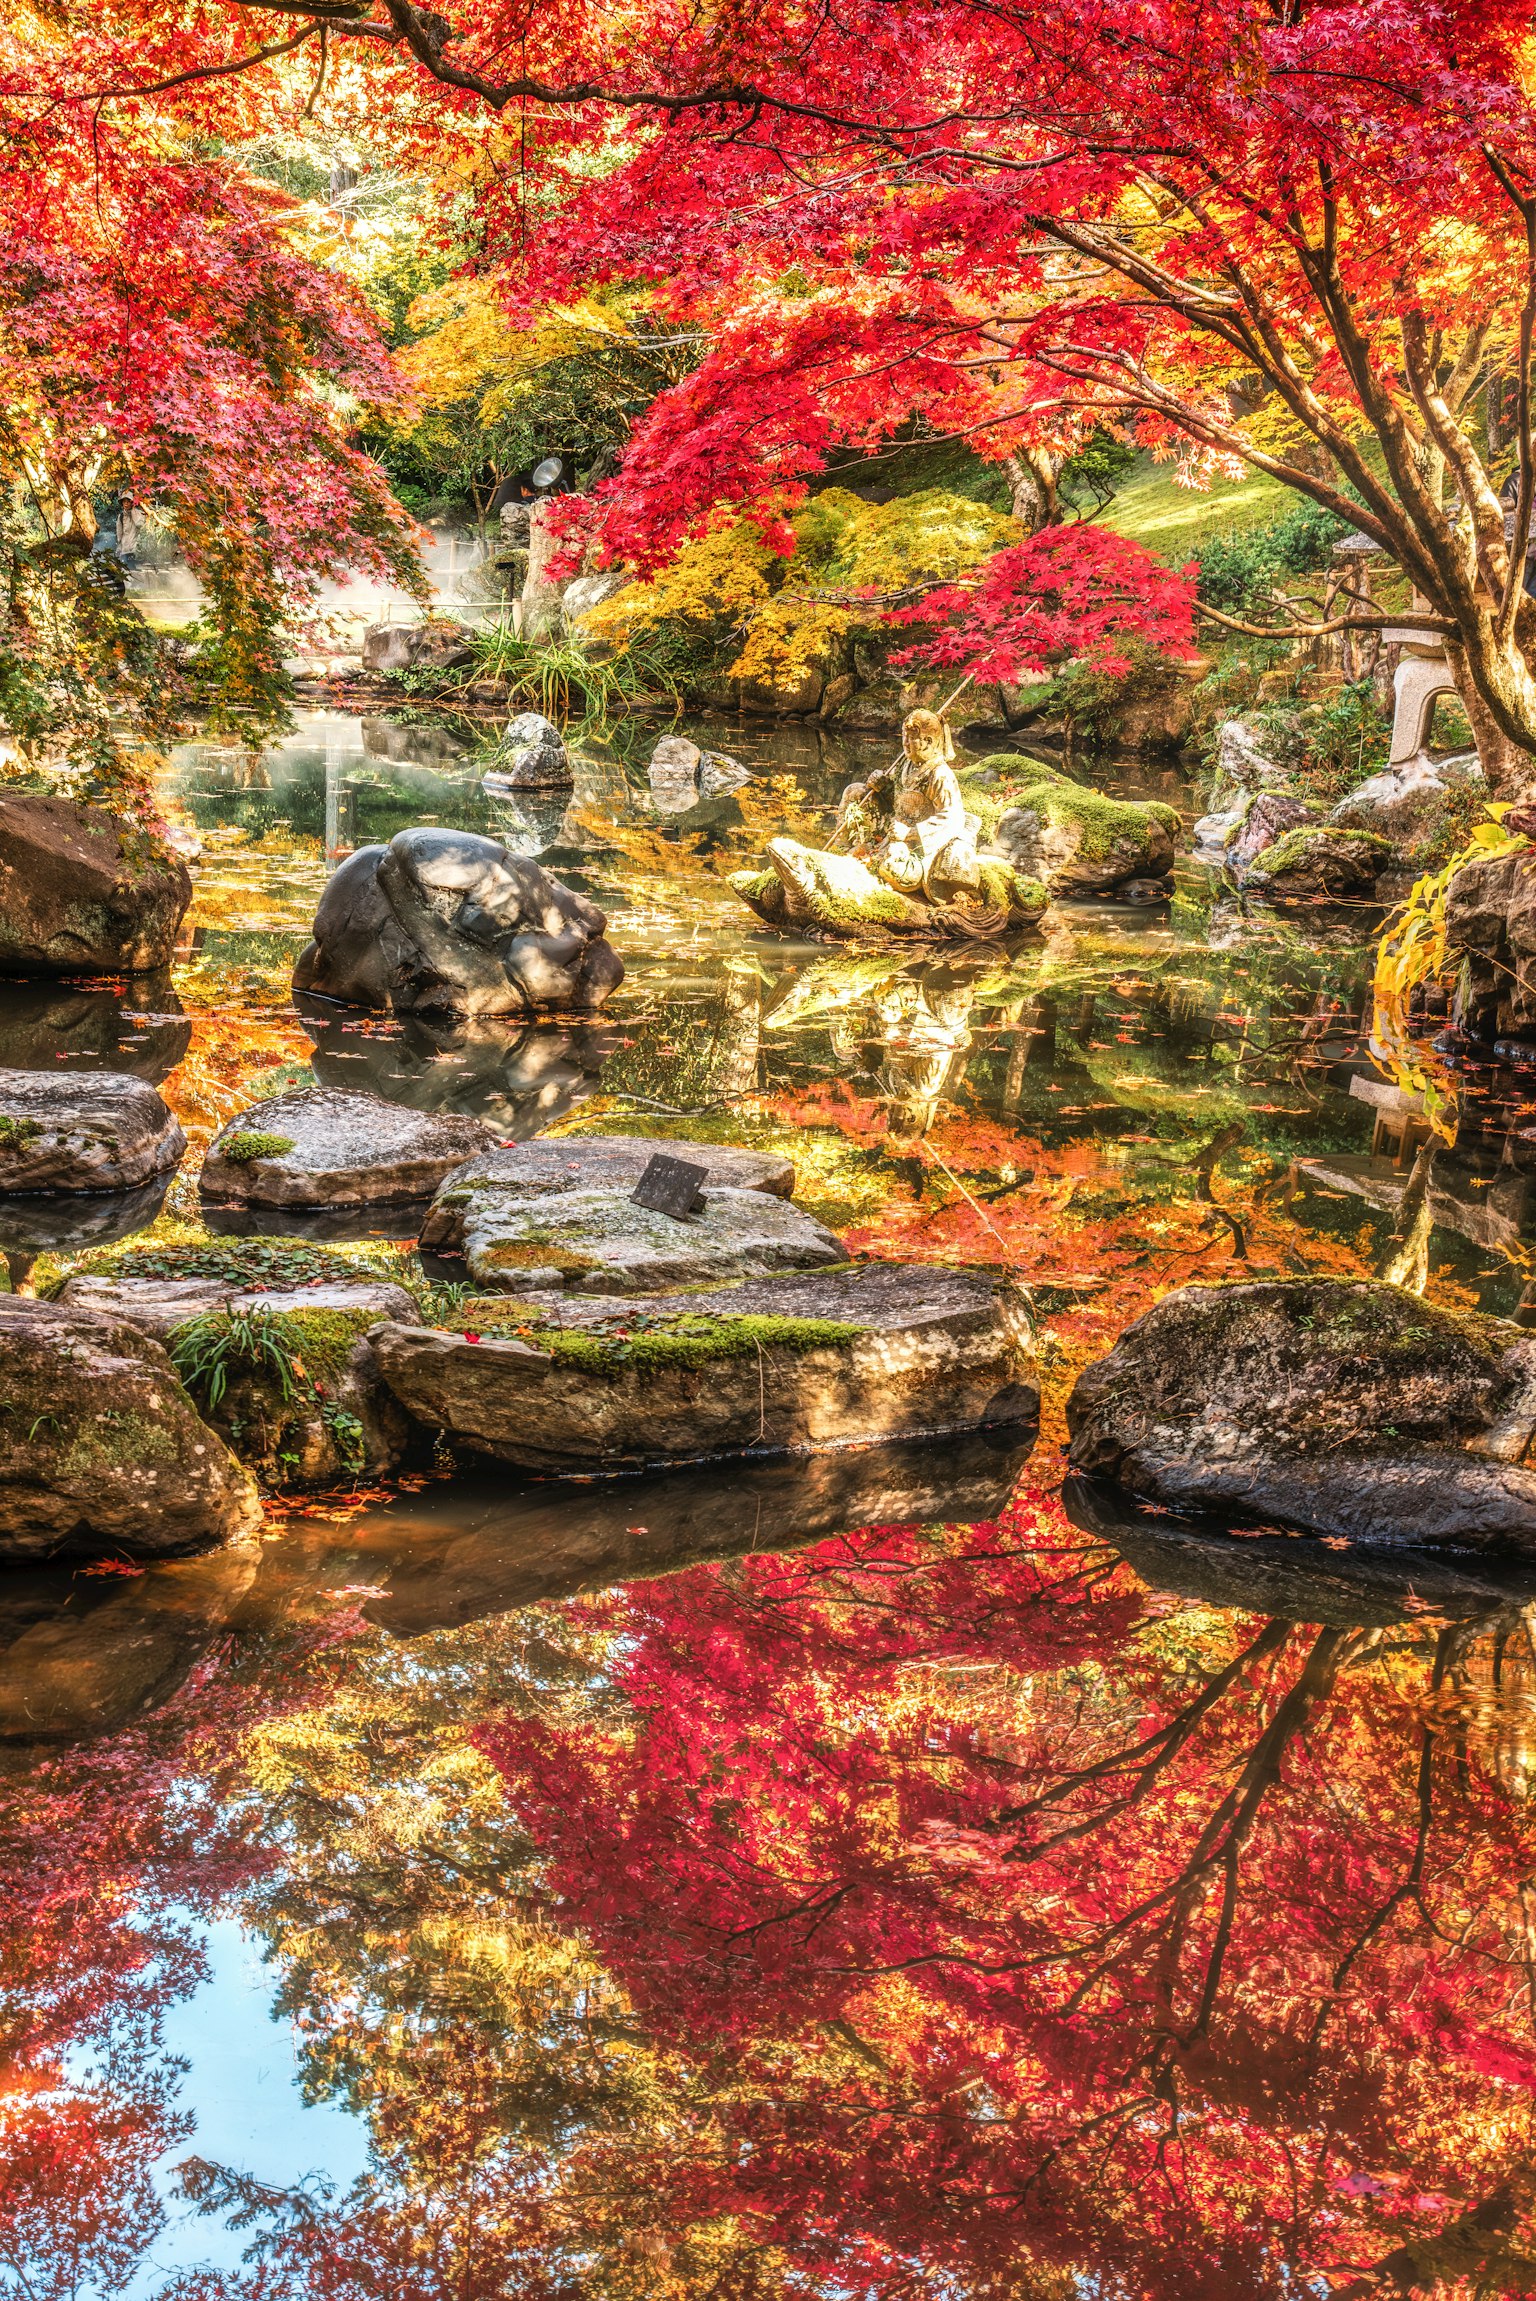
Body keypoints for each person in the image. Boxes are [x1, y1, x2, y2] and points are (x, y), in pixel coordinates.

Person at [839, 709, 981, 900]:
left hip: (917, 845)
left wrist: (910, 833)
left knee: (894, 869)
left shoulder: (940, 775)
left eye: (911, 738)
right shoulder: (905, 764)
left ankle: (882, 866)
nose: (905, 743)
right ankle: (843, 848)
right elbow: (897, 801)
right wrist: (883, 787)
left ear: (928, 741)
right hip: (892, 829)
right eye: (904, 737)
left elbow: (953, 818)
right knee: (854, 791)